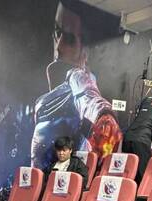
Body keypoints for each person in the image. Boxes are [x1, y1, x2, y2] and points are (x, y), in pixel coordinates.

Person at [31, 0, 122, 171]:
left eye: (70, 39)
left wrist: (103, 118)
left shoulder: (78, 78)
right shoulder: (45, 100)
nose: (59, 47)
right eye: (57, 33)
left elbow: (106, 124)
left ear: (85, 52)